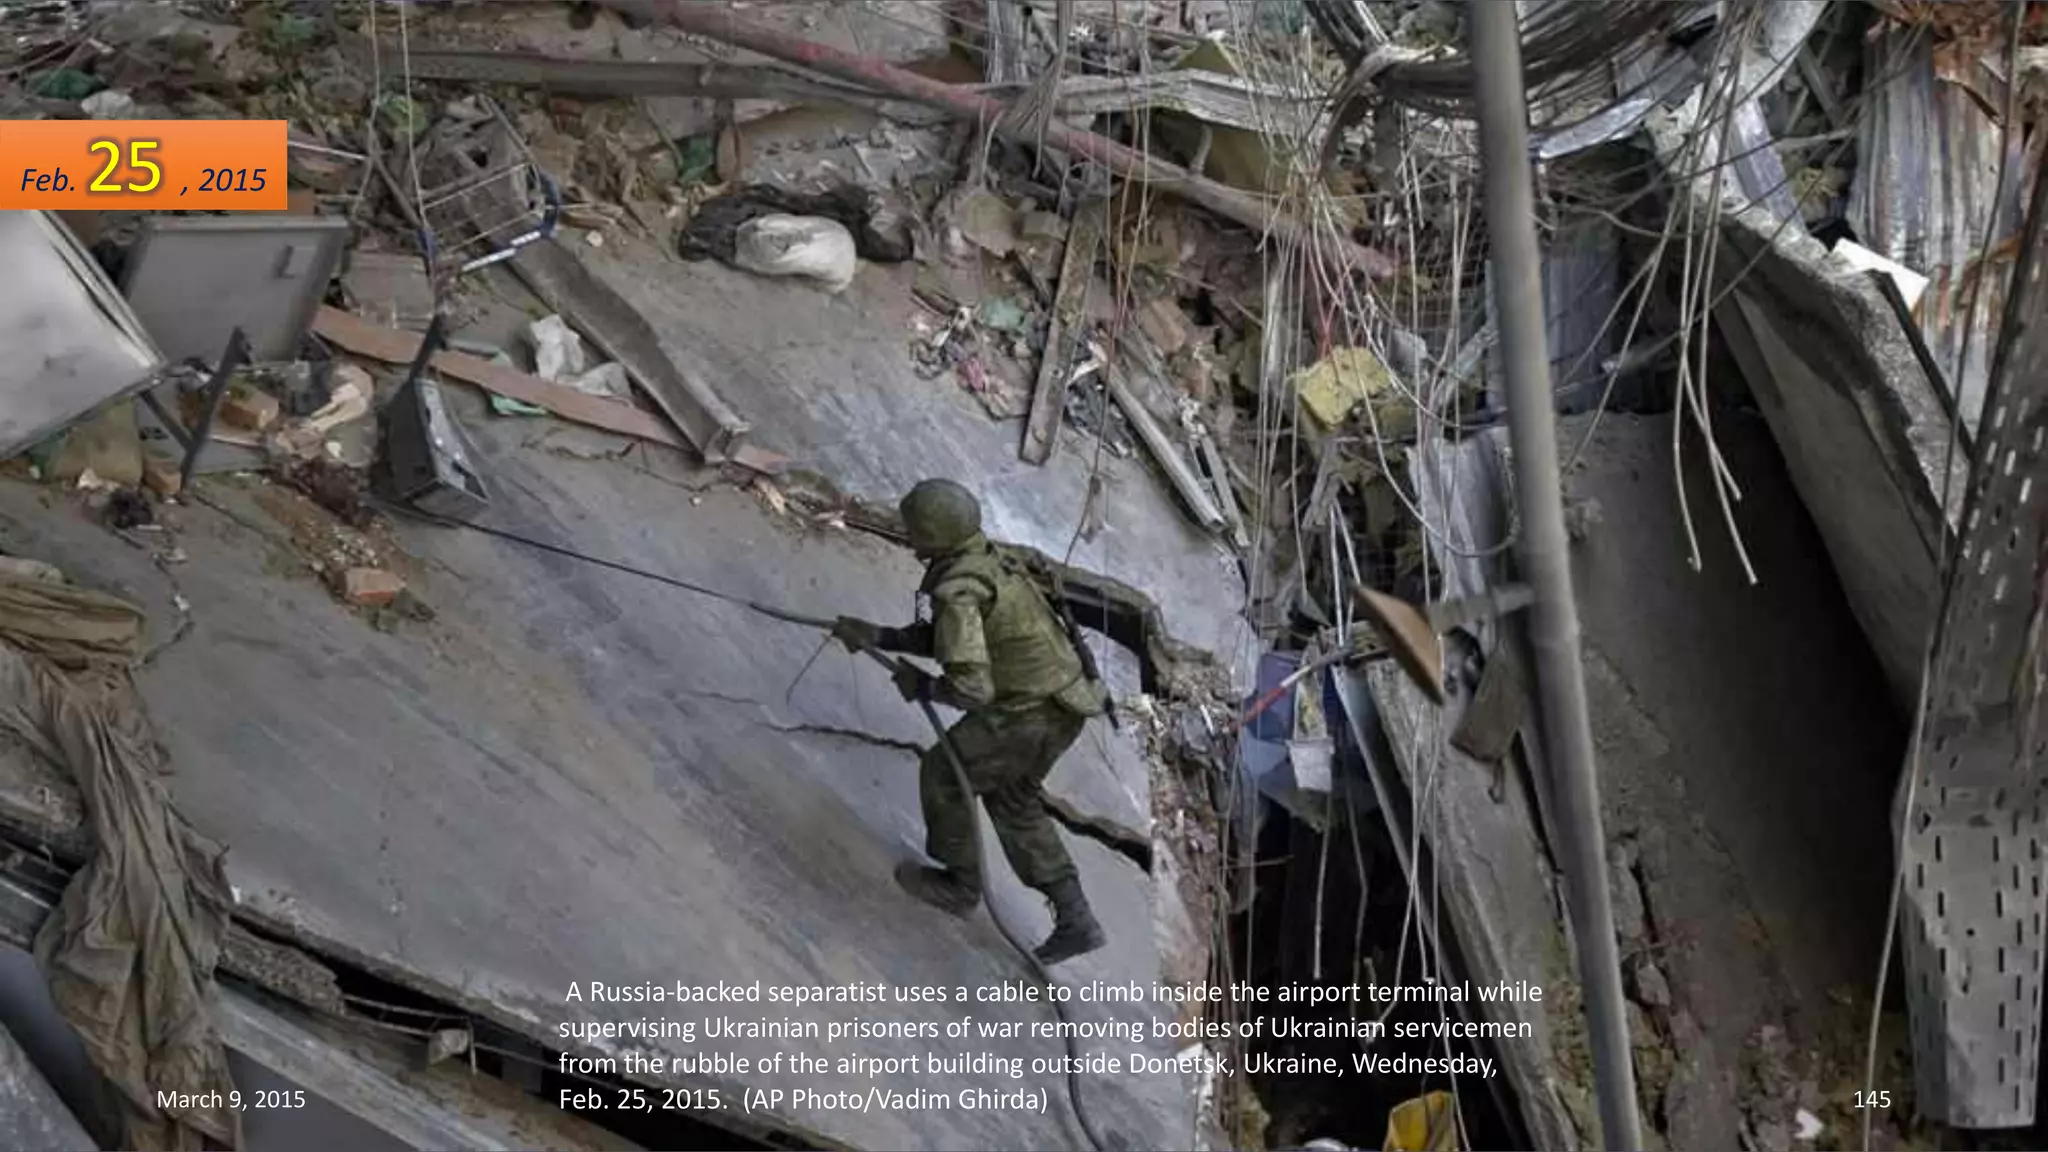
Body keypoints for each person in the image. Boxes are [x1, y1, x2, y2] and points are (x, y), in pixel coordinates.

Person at [832, 478, 1108, 966]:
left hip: (1027, 712)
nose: (907, 534)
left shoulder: (957, 589)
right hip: (1066, 704)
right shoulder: (983, 559)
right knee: (1013, 799)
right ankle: (1076, 918)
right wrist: (878, 636)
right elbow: (938, 637)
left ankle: (959, 885)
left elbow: (972, 688)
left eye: (913, 527)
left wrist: (926, 687)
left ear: (932, 534)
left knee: (945, 773)